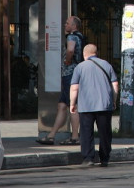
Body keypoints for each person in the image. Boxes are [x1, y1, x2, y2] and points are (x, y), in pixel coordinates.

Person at [69, 43, 118, 167]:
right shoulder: (107, 65)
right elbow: (115, 85)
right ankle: (105, 158)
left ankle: (88, 158)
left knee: (86, 132)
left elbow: (74, 88)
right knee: (105, 132)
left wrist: (72, 103)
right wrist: (113, 100)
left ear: (84, 54)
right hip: (104, 105)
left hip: (86, 106)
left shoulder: (80, 67)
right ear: (96, 53)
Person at [38, 16, 83, 145]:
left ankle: (75, 137)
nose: (65, 25)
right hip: (71, 74)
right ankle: (51, 135)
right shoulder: (80, 36)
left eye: (67, 23)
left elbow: (70, 50)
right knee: (62, 106)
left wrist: (67, 61)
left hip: (70, 74)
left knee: (72, 106)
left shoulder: (72, 37)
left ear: (74, 26)